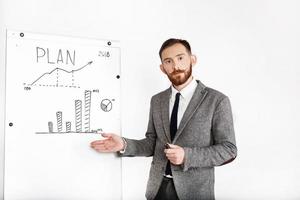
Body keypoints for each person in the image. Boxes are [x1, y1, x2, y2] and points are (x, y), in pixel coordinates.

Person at [90, 38, 237, 200]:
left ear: (193, 60)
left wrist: (187, 156)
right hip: (157, 189)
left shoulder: (217, 100)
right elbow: (153, 143)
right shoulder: (157, 100)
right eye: (168, 61)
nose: (175, 66)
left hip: (194, 193)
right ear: (162, 68)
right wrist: (124, 144)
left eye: (181, 58)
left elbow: (229, 149)